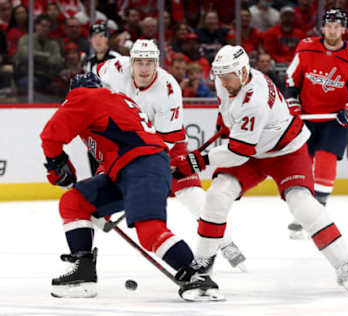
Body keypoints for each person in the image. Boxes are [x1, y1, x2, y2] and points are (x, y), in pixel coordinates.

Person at [171, 45, 348, 296]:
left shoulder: (255, 100)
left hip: (285, 151)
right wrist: (226, 123)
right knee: (218, 193)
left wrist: (195, 162)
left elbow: (239, 151)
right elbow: (231, 118)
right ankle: (203, 262)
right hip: (252, 148)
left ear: (242, 72)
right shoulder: (227, 79)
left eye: (228, 77)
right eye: (220, 76)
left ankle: (344, 264)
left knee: (302, 203)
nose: (223, 82)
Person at [40, 72, 221, 301]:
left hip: (141, 166)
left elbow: (51, 135)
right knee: (75, 202)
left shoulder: (86, 95)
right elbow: (116, 148)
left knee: (150, 231)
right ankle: (83, 272)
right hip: (128, 169)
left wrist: (56, 164)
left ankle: (197, 276)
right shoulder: (115, 100)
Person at [96, 39, 246, 270]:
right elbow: (92, 84)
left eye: (150, 63)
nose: (144, 69)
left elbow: (166, 139)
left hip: (164, 142)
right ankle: (88, 245)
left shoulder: (168, 88)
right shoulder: (113, 69)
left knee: (191, 193)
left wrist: (141, 169)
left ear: (157, 63)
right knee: (99, 191)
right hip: (122, 143)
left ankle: (224, 242)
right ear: (131, 63)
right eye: (140, 63)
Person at [285, 9, 348, 239]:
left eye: (337, 26)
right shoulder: (306, 47)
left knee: (325, 159)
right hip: (308, 115)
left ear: (344, 29)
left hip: (336, 118)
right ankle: (305, 211)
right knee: (303, 163)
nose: (332, 30)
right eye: (329, 26)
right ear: (322, 28)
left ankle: (317, 211)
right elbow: (292, 79)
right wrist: (293, 103)